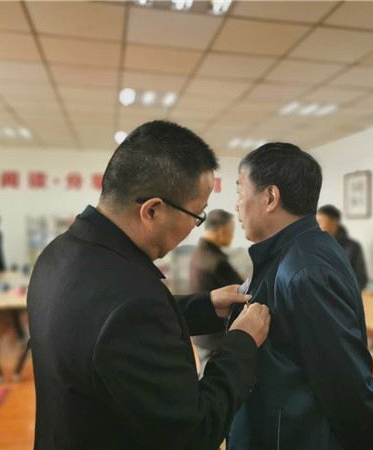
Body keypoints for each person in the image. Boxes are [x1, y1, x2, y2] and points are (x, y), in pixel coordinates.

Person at [27, 121, 270, 450]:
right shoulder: (132, 299)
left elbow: (107, 329)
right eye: (196, 215)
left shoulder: (60, 253)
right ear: (152, 210)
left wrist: (206, 305)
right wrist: (242, 342)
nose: (195, 227)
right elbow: (194, 432)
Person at [227, 143, 373, 450]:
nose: (236, 205)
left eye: (240, 192)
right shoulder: (301, 249)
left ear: (270, 197)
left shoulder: (304, 269)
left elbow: (347, 384)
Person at [190, 209, 244, 378]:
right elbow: (240, 290)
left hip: (202, 332)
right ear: (222, 231)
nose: (231, 237)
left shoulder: (200, 253)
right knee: (213, 379)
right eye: (231, 231)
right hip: (214, 336)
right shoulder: (216, 262)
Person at [317, 204, 369, 290]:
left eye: (320, 221)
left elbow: (361, 279)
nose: (316, 226)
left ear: (334, 222)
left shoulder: (352, 247)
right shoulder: (314, 246)